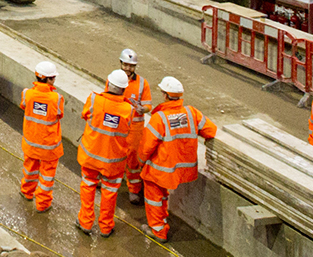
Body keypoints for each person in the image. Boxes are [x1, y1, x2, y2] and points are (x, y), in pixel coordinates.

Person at [138, 76, 218, 240]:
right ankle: (162, 220)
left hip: (162, 168)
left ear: (165, 95)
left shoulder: (159, 118)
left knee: (154, 195)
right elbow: (211, 130)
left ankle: (158, 230)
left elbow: (146, 146)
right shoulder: (191, 113)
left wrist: (139, 161)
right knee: (164, 195)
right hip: (183, 167)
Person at [75, 69, 136, 237]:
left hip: (91, 157)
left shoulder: (94, 99)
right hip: (113, 162)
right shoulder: (128, 110)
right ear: (124, 89)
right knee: (110, 193)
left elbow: (85, 114)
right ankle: (106, 227)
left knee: (88, 188)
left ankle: (85, 223)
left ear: (107, 84)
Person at [19, 60, 64, 212]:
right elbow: (59, 114)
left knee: (30, 170)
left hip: (31, 143)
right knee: (46, 178)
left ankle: (27, 192)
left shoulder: (27, 94)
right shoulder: (56, 99)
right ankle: (42, 204)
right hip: (49, 148)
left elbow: (24, 106)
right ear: (50, 79)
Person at [117, 48, 155, 205]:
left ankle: (133, 189)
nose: (128, 69)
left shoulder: (142, 83)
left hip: (135, 127)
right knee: (114, 154)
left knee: (133, 158)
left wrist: (142, 109)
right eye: (125, 65)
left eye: (131, 66)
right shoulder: (114, 79)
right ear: (121, 64)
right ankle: (108, 179)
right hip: (118, 124)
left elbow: (148, 105)